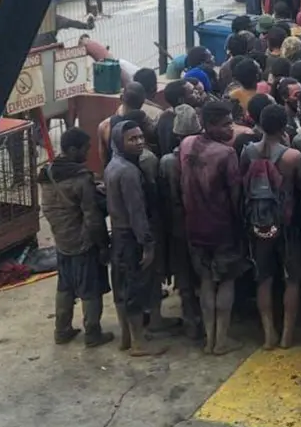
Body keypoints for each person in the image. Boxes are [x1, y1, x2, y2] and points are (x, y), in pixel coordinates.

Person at [177, 101, 247, 355]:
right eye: (226, 124)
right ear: (210, 125)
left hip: (193, 225)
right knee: (226, 281)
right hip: (221, 226)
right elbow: (236, 195)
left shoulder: (186, 145)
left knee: (206, 281)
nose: (231, 128)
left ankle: (209, 339)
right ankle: (222, 340)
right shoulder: (226, 154)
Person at [40, 128, 113, 347]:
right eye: (85, 149)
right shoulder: (80, 177)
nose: (87, 153)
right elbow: (92, 217)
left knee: (65, 286)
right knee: (90, 288)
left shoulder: (48, 172)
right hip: (83, 241)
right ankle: (93, 333)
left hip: (61, 239)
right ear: (72, 149)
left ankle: (62, 330)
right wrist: (103, 245)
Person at [241, 104, 301, 349]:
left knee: (264, 278)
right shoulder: (292, 156)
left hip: (258, 222)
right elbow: (300, 185)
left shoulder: (248, 152)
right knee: (292, 279)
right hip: (287, 224)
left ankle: (268, 334)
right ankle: (287, 334)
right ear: (284, 126)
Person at [105, 121, 167, 357]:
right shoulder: (129, 172)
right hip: (132, 236)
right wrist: (147, 245)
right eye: (132, 139)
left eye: (140, 137)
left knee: (122, 287)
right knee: (136, 289)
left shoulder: (113, 165)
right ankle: (139, 343)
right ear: (121, 141)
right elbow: (137, 213)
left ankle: (126, 338)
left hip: (119, 236)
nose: (139, 141)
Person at [157, 104, 204, 339]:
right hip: (202, 222)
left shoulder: (166, 161)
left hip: (177, 224)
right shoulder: (208, 154)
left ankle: (190, 320)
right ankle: (208, 320)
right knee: (204, 273)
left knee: (183, 274)